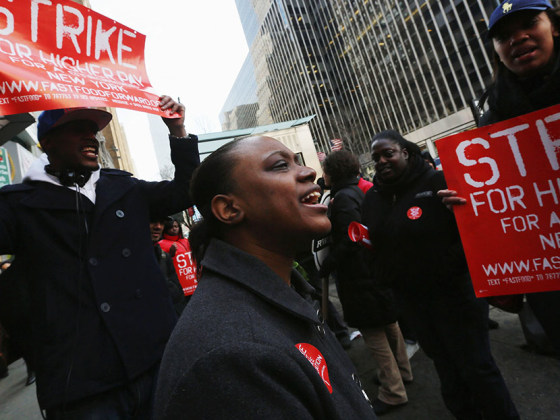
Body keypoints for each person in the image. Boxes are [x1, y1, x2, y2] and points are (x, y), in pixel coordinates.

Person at [0, 97, 200, 418]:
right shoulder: (18, 205)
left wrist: (178, 131)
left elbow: (188, 191)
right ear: (47, 142)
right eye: (78, 129)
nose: (91, 137)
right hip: (81, 386)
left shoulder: (127, 189)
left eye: (93, 130)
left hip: (156, 361)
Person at [154, 136, 376, 419]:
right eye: (280, 165)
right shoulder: (233, 356)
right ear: (229, 209)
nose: (308, 171)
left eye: (297, 161)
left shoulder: (285, 295)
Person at [362, 130, 519, 419]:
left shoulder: (437, 182)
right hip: (413, 302)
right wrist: (384, 276)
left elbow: (470, 232)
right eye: (376, 157)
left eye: (388, 153)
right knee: (445, 367)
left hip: (456, 297)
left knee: (477, 367)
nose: (381, 161)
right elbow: (373, 243)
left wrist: (446, 268)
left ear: (405, 153)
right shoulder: (373, 197)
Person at [442, 0, 560, 357]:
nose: (517, 38)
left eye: (528, 24)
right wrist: (467, 201)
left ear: (553, 26)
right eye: (504, 36)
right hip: (547, 277)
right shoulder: (493, 115)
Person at [320, 150, 412, 416]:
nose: (322, 175)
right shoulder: (358, 192)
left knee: (374, 333)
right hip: (371, 271)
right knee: (389, 323)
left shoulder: (344, 198)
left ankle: (392, 391)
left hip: (359, 276)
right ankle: (402, 373)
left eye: (325, 170)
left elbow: (351, 237)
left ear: (333, 172)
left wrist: (329, 262)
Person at [150, 215, 189, 316]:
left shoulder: (164, 256)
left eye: (161, 223)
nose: (158, 226)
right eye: (152, 221)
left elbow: (177, 293)